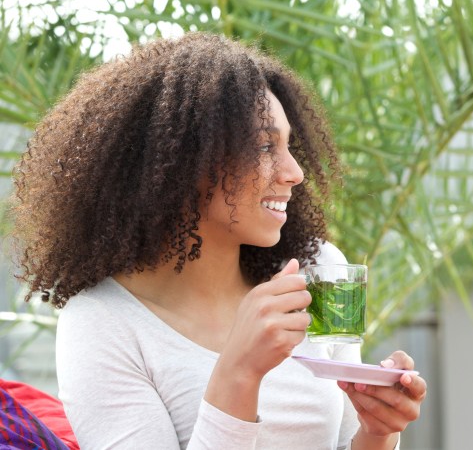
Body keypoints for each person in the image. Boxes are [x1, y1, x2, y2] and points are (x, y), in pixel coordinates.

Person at [12, 32, 426, 449]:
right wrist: (239, 371)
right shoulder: (103, 322)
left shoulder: (322, 271)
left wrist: (378, 431)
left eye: (289, 145)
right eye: (265, 145)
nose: (295, 172)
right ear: (180, 162)